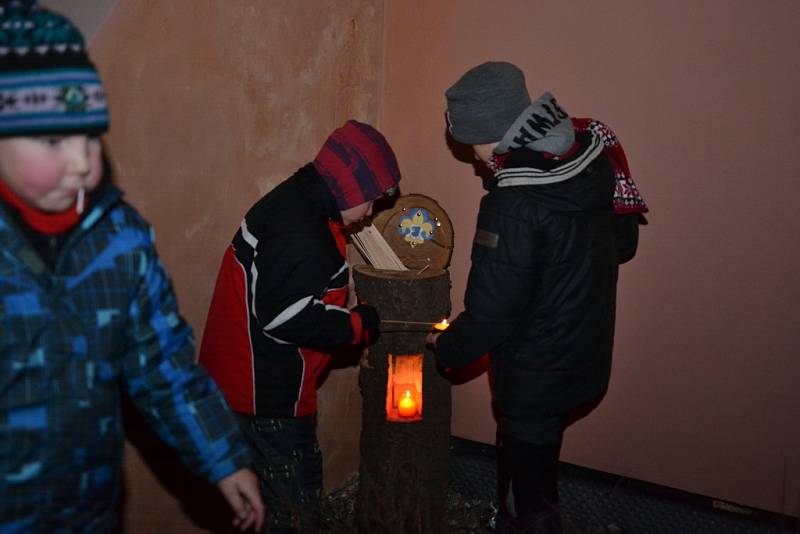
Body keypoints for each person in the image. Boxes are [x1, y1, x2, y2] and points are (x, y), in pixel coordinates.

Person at [0, 1, 264, 531]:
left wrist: (222, 456)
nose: (80, 161)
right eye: (53, 139)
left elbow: (162, 364)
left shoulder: (120, 241)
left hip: (89, 511)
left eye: (90, 137)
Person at [428, 61, 648, 533]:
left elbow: (491, 312)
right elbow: (623, 245)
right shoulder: (590, 153)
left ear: (493, 132)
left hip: (534, 377)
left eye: (476, 145)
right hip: (584, 354)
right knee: (541, 470)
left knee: (525, 505)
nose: (479, 158)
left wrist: (447, 350)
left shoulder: (513, 202)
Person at [198, 119, 400, 533]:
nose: (370, 213)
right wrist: (357, 325)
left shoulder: (297, 201)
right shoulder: (303, 234)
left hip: (241, 388)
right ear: (350, 188)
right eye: (372, 200)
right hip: (265, 399)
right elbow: (285, 317)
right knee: (292, 512)